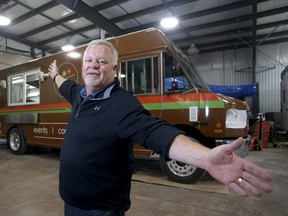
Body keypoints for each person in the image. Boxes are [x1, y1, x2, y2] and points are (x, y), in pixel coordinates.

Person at [48, 39, 272, 216]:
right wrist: (55, 74)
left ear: (114, 69)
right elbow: (63, 84)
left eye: (101, 62)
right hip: (71, 203)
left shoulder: (121, 104)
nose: (93, 66)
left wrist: (204, 158)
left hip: (100, 209)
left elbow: (155, 132)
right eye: (88, 61)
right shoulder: (78, 94)